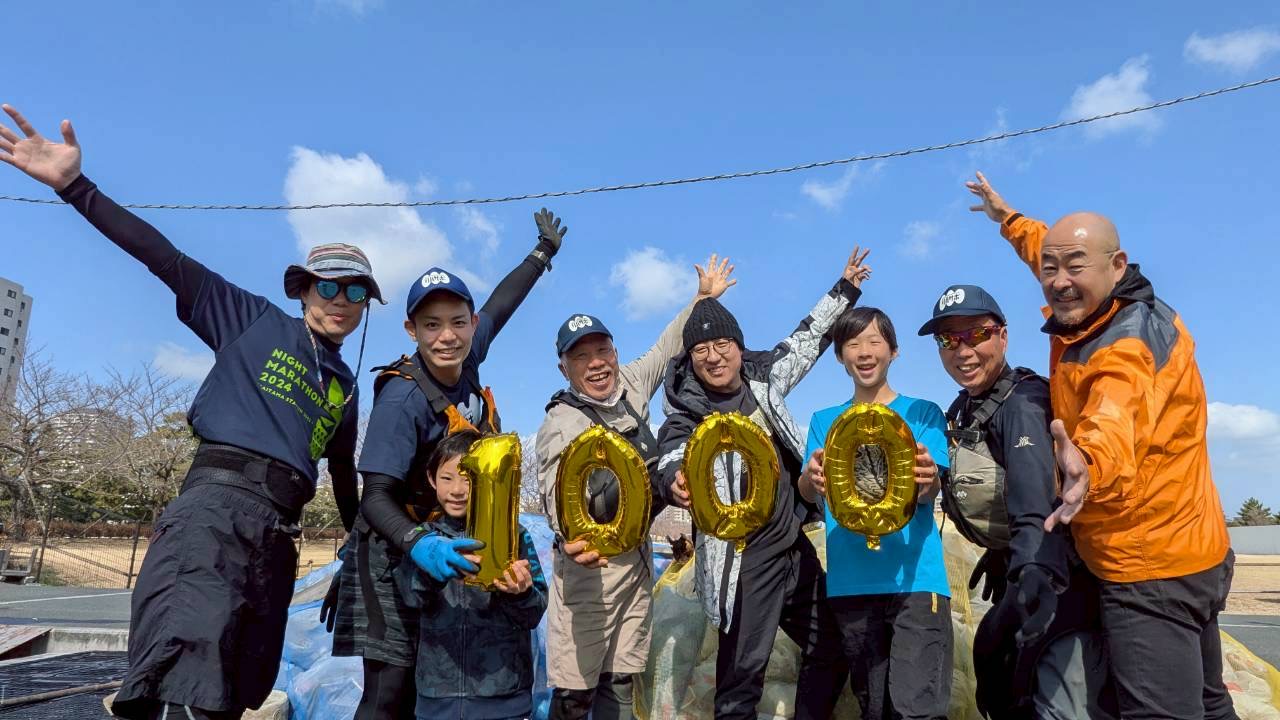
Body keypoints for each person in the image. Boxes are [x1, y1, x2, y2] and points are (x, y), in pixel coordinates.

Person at [0, 104, 375, 719]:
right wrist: (75, 187)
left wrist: (357, 552)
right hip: (214, 513)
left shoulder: (346, 387)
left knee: (239, 683)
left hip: (280, 534)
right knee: (182, 676)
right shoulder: (252, 319)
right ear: (304, 288)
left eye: (355, 291)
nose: (340, 301)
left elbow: (343, 478)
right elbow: (163, 257)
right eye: (328, 286)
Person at [968, 171, 1236, 720]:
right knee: (1210, 704)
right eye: (1050, 268)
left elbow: (1114, 419)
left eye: (1075, 267)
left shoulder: (1122, 346)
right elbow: (1051, 246)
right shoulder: (1107, 304)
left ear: (1117, 266)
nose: (1059, 280)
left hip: (1146, 571)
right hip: (1197, 548)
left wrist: (1084, 464)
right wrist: (1008, 220)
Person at [329, 213, 564, 720]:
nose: (446, 337)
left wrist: (541, 255)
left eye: (458, 322)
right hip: (395, 547)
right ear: (412, 329)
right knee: (390, 690)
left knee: (428, 681)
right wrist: (420, 544)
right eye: (431, 325)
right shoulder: (403, 398)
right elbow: (374, 497)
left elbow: (502, 306)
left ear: (470, 325)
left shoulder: (465, 360)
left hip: (444, 539)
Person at [653, 248, 871, 720]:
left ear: (737, 344)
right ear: (690, 359)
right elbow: (670, 457)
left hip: (792, 546)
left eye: (722, 345)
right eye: (701, 350)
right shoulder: (687, 415)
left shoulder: (763, 381)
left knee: (831, 647)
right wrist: (675, 481)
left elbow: (807, 340)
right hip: (742, 561)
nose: (714, 357)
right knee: (741, 680)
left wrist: (846, 289)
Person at [535, 255, 735, 720]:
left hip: (636, 565)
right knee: (575, 693)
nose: (596, 363)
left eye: (602, 350)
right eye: (581, 356)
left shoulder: (627, 385)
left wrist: (702, 298)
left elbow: (667, 347)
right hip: (590, 572)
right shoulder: (561, 423)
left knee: (621, 683)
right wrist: (569, 537)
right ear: (564, 367)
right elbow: (552, 495)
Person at [920, 283, 1113, 719]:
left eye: (976, 334)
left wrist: (1030, 566)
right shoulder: (966, 408)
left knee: (1051, 697)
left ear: (1002, 336)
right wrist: (1000, 549)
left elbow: (1034, 500)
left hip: (1055, 578)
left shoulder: (1023, 402)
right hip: (1021, 565)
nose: (963, 350)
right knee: (992, 655)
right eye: (948, 339)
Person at [797, 306, 952, 720]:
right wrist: (812, 477)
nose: (864, 352)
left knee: (917, 707)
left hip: (917, 582)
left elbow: (929, 490)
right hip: (851, 585)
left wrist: (928, 479)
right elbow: (808, 492)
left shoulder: (924, 414)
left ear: (894, 351)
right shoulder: (823, 421)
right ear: (839, 356)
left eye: (874, 341)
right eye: (852, 344)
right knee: (875, 707)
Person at [395, 429, 548, 720]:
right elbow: (409, 598)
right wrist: (432, 572)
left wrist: (521, 593)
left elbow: (534, 613)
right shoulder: (425, 541)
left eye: (468, 478)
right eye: (447, 478)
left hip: (504, 700)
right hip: (436, 699)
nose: (457, 489)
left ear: (485, 479)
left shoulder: (513, 536)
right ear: (431, 479)